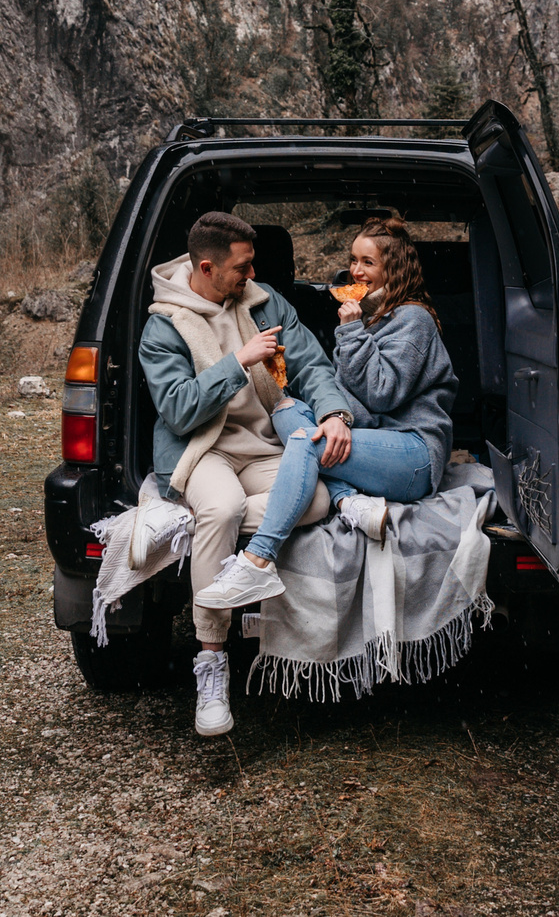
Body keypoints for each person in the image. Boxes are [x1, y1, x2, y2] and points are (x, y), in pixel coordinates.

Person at [139, 210, 358, 736]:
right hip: (204, 448)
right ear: (208, 267)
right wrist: (238, 361)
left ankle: (236, 561)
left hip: (263, 446)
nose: (252, 277)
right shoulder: (163, 324)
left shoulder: (265, 304)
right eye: (243, 267)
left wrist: (331, 413)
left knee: (318, 502)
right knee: (222, 507)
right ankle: (211, 662)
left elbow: (313, 366)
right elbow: (179, 410)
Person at [208, 214, 457, 584]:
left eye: (368, 262)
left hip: (414, 454)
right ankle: (347, 500)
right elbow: (348, 394)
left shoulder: (412, 320)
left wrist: (350, 332)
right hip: (376, 438)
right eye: (353, 260)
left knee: (307, 443)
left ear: (395, 268)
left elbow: (381, 394)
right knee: (287, 408)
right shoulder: (375, 316)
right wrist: (335, 417)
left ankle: (257, 559)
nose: (355, 271)